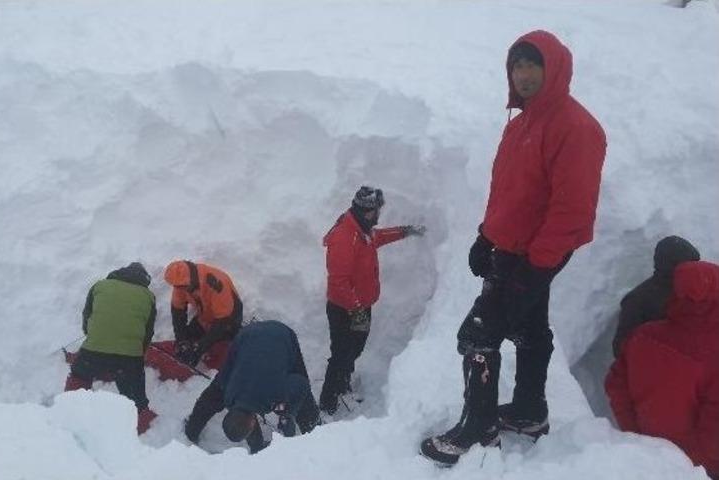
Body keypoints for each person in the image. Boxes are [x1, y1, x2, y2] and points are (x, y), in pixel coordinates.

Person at [420, 30, 606, 465]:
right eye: (516, 66)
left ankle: (479, 428)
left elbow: (572, 209)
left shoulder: (576, 128)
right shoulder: (521, 124)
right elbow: (509, 192)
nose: (523, 75)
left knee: (477, 335)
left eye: (532, 65)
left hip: (536, 254)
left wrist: (537, 266)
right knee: (530, 329)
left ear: (554, 68)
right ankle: (528, 411)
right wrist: (487, 235)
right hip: (512, 248)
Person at [605, 261, 719, 479]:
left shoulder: (644, 335)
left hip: (650, 453)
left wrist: (634, 431)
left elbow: (615, 384)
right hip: (702, 467)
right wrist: (693, 460)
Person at [318, 185, 426, 415]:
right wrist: (356, 310)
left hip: (361, 307)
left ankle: (343, 384)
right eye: (377, 210)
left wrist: (405, 231)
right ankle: (327, 403)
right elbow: (338, 282)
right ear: (368, 211)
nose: (379, 215)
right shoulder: (345, 238)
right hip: (344, 309)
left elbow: (379, 237)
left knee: (355, 348)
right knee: (340, 354)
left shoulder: (362, 230)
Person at [184, 320, 320, 454]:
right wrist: (257, 447)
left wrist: (288, 412)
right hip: (248, 335)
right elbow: (209, 400)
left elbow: (302, 384)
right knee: (215, 394)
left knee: (301, 389)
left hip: (281, 335)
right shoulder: (229, 392)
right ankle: (191, 430)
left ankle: (317, 433)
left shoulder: (275, 394)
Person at [64, 262, 157, 434]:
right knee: (134, 391)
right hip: (129, 358)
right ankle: (140, 421)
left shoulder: (99, 286)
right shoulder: (148, 296)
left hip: (92, 351)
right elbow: (148, 332)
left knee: (79, 376)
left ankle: (68, 412)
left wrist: (94, 337)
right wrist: (138, 354)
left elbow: (87, 317)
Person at [612, 236, 700, 357]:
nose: (697, 270)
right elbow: (622, 348)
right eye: (690, 265)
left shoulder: (695, 291)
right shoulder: (638, 300)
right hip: (658, 367)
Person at [162, 260, 242, 370]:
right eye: (176, 287)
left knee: (221, 346)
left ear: (190, 279)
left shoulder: (215, 282)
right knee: (188, 338)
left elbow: (223, 321)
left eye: (182, 287)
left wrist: (199, 348)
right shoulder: (180, 284)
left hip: (229, 320)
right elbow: (178, 313)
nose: (179, 290)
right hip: (205, 318)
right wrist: (181, 341)